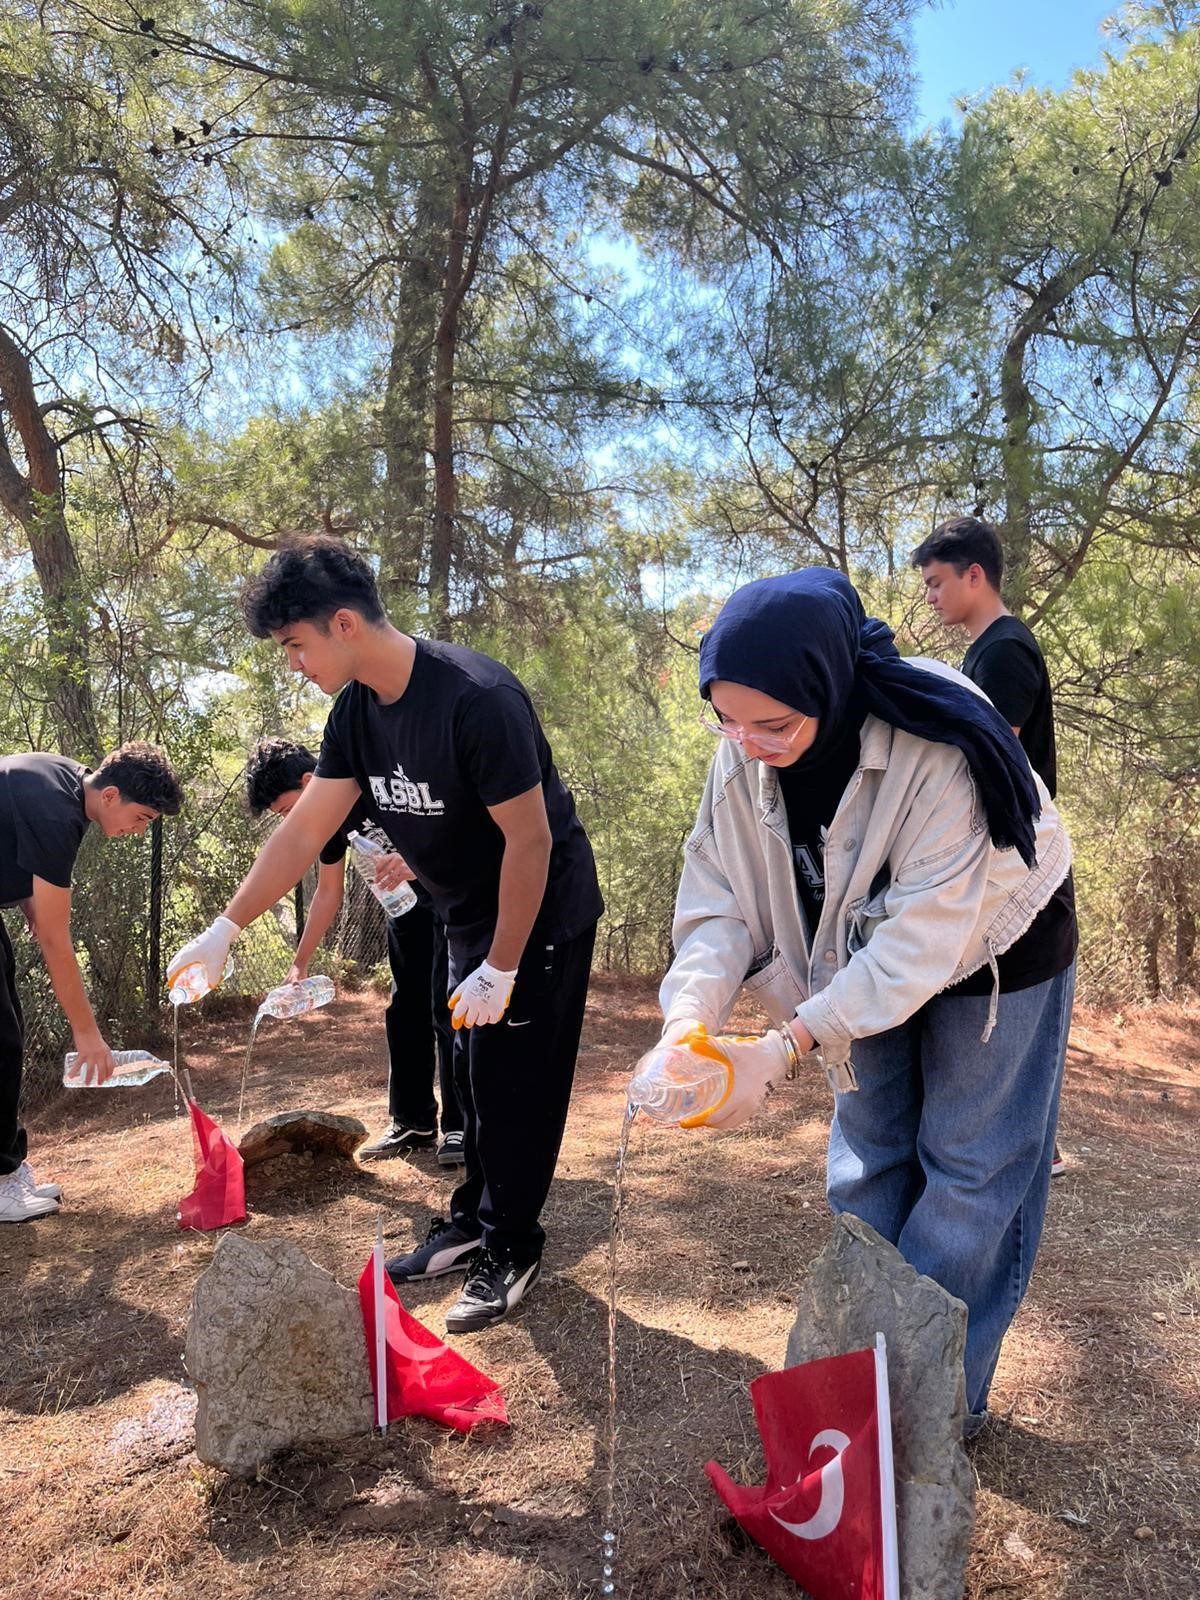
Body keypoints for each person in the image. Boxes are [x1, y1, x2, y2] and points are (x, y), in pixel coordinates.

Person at [656, 568, 1076, 1430]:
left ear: (830, 682)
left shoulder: (940, 738)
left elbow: (924, 939)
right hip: (857, 946)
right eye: (726, 719)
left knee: (968, 1170)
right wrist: (687, 1020)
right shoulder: (741, 746)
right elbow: (719, 899)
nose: (747, 744)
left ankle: (927, 1413)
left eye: (773, 724)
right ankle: (855, 1390)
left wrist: (780, 1050)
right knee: (868, 1158)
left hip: (995, 942)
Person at [168, 536, 602, 1333]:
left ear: (342, 625)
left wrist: (503, 966)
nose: (291, 663)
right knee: (471, 1077)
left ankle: (514, 1244)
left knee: (514, 1085)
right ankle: (473, 1219)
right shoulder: (356, 717)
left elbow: (531, 843)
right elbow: (303, 835)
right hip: (468, 915)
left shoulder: (477, 699)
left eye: (294, 645)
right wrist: (225, 927)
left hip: (540, 915)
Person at [913, 515, 1074, 1177]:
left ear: (974, 574)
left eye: (936, 582)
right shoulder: (986, 651)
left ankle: (1033, 1151)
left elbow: (989, 762)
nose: (929, 597)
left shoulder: (1005, 651)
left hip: (1021, 875)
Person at [244, 736, 463, 1166]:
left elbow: (452, 823)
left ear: (310, 783)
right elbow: (328, 893)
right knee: (404, 1009)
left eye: (289, 810)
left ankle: (460, 1126)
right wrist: (299, 962)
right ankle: (412, 1123)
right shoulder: (325, 821)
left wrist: (417, 863)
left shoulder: (376, 781)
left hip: (449, 897)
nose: (292, 820)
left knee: (447, 1006)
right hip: (405, 910)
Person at [0, 742, 184, 1223]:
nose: (140, 831)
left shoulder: (65, 784)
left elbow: (9, 833)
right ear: (112, 795)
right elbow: (57, 945)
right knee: (0, 1038)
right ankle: (0, 1181)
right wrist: (87, 1035)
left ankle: (9, 1168)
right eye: (142, 817)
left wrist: (27, 904)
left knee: (8, 1034)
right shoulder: (57, 814)